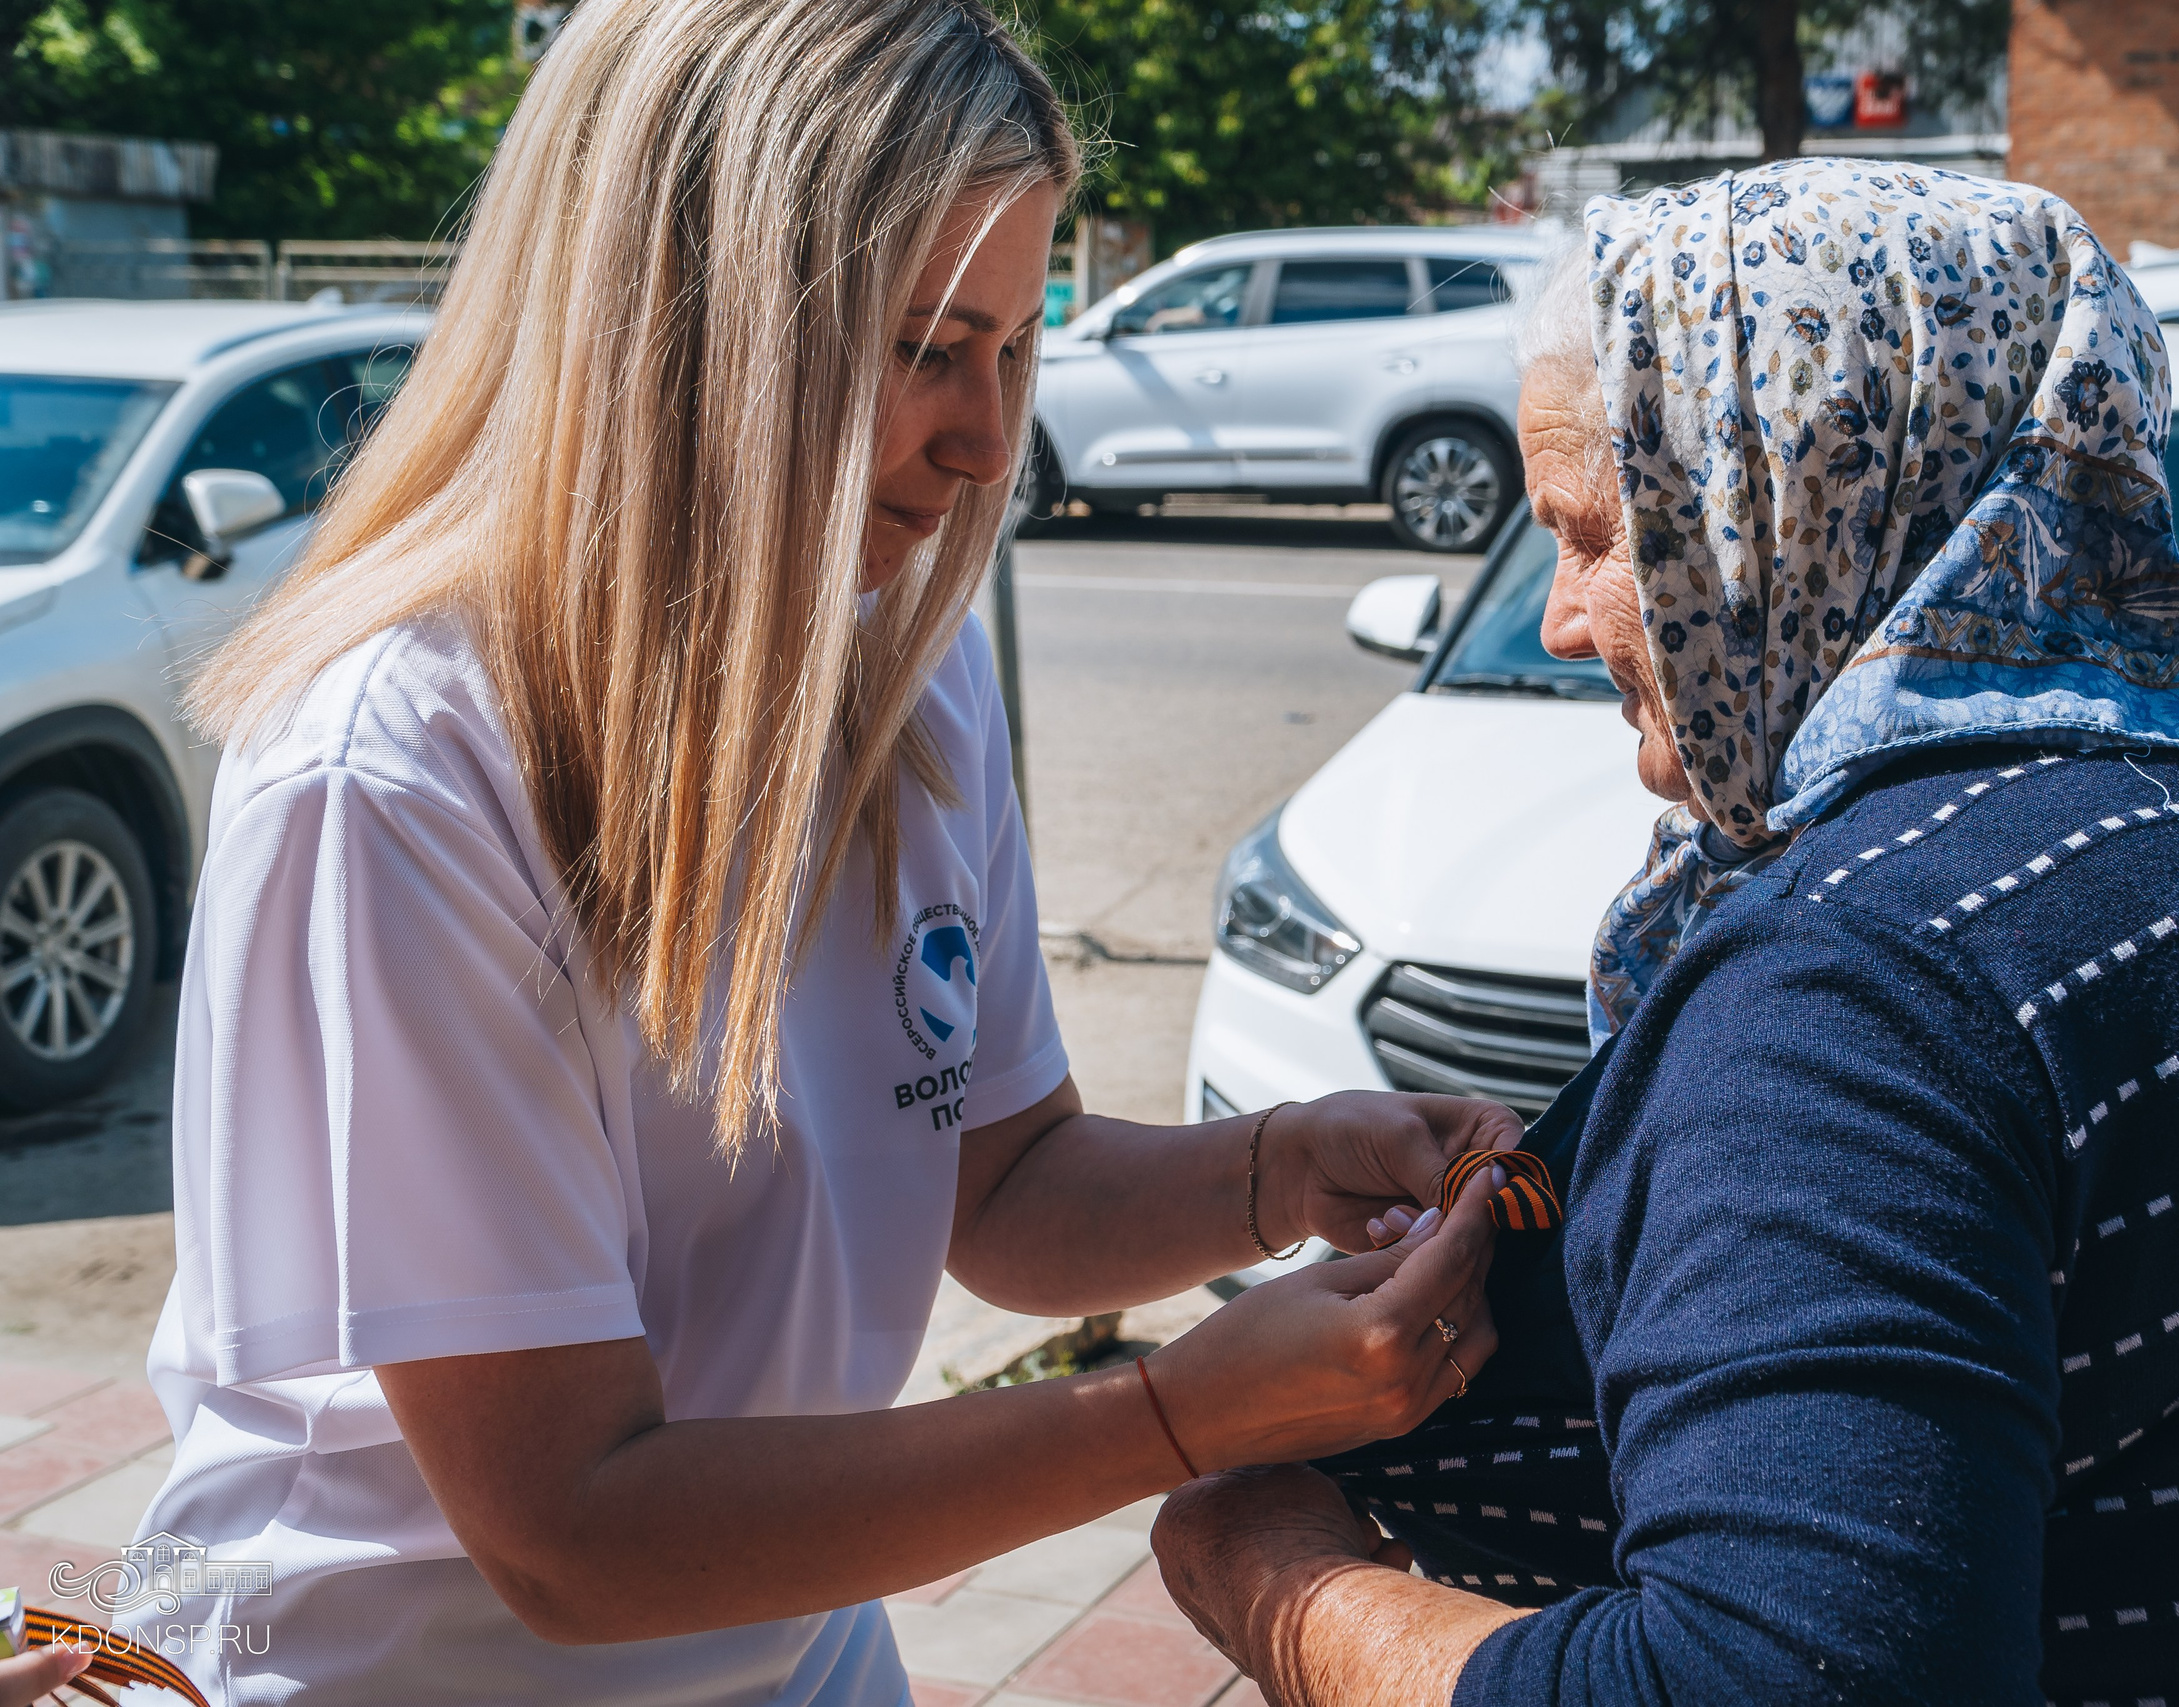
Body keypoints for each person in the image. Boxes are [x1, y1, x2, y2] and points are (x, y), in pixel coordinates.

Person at [127, 2, 1514, 1701]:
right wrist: (1179, 1414)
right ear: (682, 329)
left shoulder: (901, 672)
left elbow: (997, 1184)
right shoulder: (400, 774)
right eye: (930, 346)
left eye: (1015, 351)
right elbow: (571, 1529)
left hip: (793, 1653)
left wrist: (1284, 1168)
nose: (990, 440)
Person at [1150, 160, 2179, 1706]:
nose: (1561, 617)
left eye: (1601, 533)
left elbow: (1774, 1685)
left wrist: (1275, 1579)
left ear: (1777, 506)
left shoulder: (1862, 985)